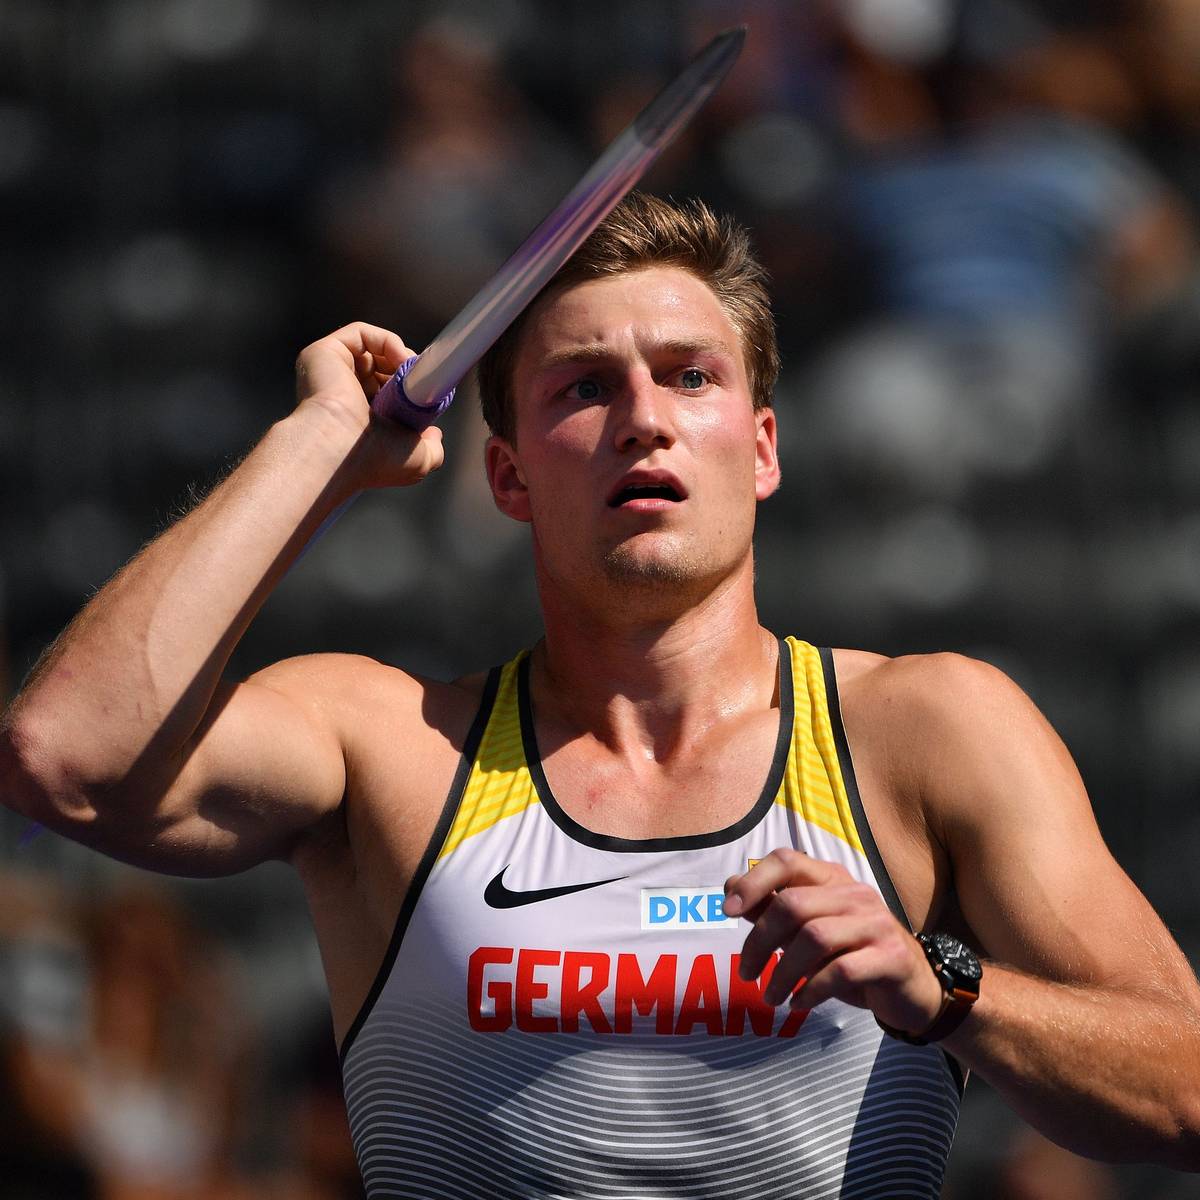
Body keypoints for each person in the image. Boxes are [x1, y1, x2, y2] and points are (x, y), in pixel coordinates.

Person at [2, 192, 1199, 1200]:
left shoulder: (927, 730)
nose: (643, 420)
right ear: (509, 476)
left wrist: (943, 983)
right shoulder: (391, 744)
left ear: (763, 447)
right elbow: (63, 757)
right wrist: (319, 444)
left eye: (689, 377)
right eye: (584, 388)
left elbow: (1186, 1091)